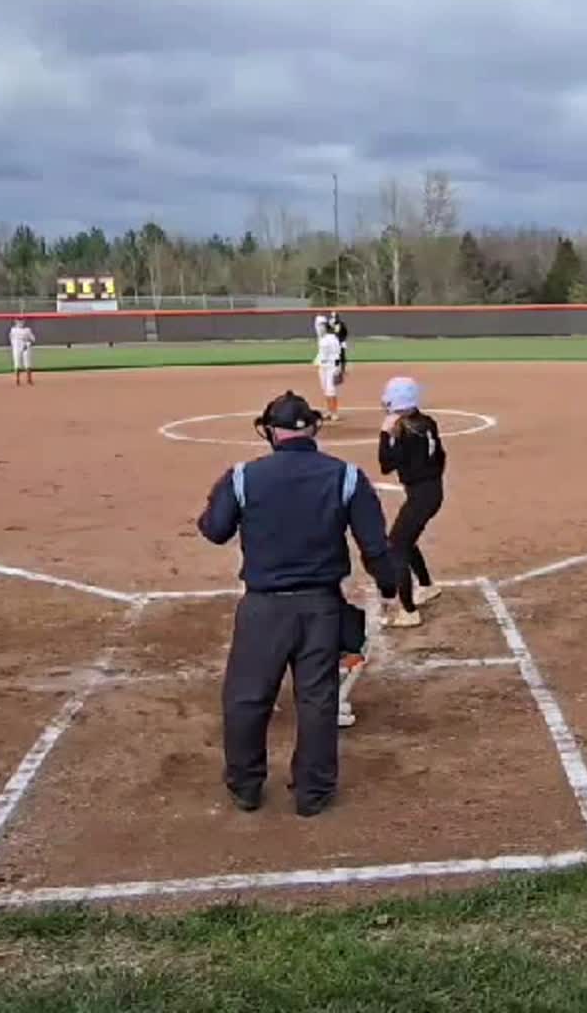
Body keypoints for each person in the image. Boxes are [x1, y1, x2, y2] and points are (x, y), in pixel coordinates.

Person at [196, 391, 400, 816]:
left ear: (271, 431)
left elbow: (214, 530)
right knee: (317, 700)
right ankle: (313, 792)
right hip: (320, 608)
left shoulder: (242, 476)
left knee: (247, 698)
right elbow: (375, 545)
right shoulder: (346, 476)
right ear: (313, 428)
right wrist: (388, 587)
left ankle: (246, 786)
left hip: (263, 608)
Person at [377, 376, 447, 629]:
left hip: (421, 496)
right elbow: (440, 456)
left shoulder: (406, 431)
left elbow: (385, 464)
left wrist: (386, 434)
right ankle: (427, 586)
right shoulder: (426, 422)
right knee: (405, 540)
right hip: (431, 491)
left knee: (395, 547)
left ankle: (408, 611)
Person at [313, 319, 345, 421]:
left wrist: (338, 367)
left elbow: (337, 354)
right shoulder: (321, 338)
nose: (319, 329)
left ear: (326, 328)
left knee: (331, 390)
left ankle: (334, 413)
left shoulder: (332, 339)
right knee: (325, 389)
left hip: (331, 367)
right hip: (323, 368)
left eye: (321, 327)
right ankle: (329, 411)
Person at [9, 318, 36, 386]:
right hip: (16, 348)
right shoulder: (13, 330)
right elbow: (11, 338)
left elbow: (33, 339)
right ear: (15, 321)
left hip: (25, 348)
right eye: (18, 321)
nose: (20, 322)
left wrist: (27, 342)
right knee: (17, 363)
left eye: (21, 321)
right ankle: (17, 379)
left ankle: (29, 379)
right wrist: (14, 345)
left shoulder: (27, 330)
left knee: (28, 363)